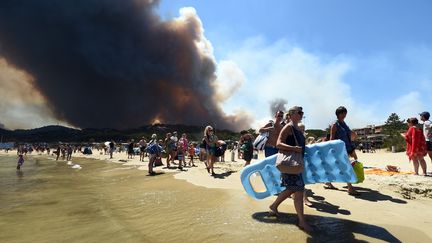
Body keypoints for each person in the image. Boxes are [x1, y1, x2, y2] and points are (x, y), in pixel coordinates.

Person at [269, 106, 312, 232]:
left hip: (296, 164)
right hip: (290, 163)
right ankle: (302, 221)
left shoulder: (298, 128)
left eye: (302, 112)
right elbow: (278, 144)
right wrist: (294, 149)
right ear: (292, 114)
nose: (301, 114)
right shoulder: (288, 126)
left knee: (293, 189)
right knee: (298, 191)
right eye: (299, 112)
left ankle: (274, 206)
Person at [324, 106, 360, 196]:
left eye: (345, 113)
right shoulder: (335, 124)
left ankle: (327, 181)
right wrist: (332, 150)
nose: (344, 115)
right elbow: (332, 138)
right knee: (346, 167)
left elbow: (348, 133)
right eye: (342, 113)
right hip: (339, 150)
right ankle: (350, 188)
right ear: (338, 114)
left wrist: (354, 135)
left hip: (347, 148)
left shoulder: (344, 123)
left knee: (336, 166)